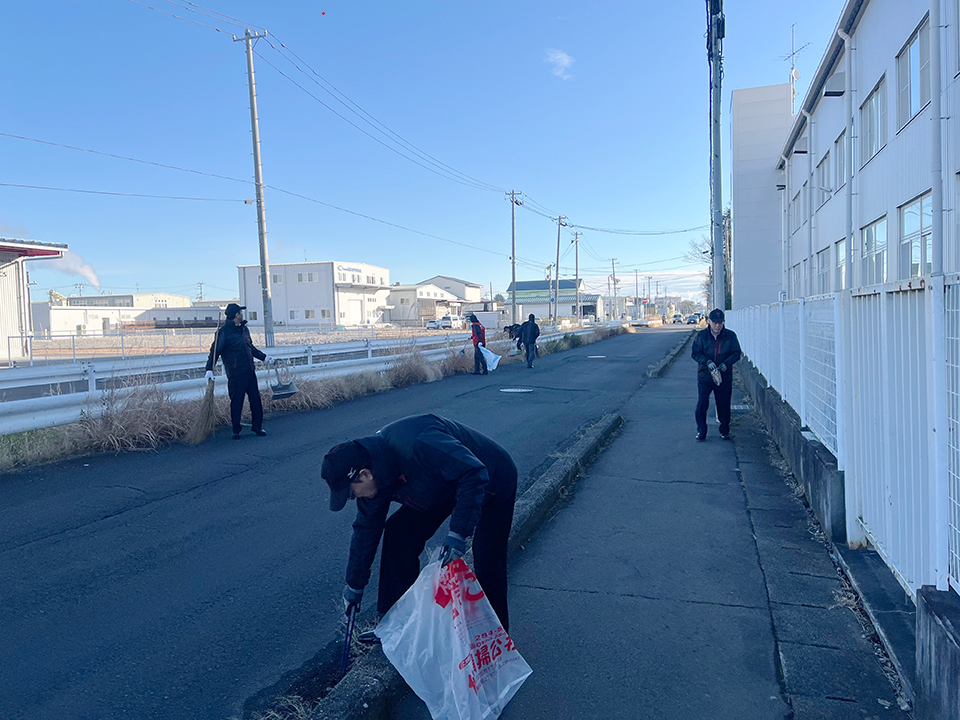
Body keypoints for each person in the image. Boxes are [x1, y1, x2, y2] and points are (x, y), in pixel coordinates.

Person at [322, 414, 518, 639]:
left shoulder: (418, 443)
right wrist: (354, 585)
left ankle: (496, 638)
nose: (353, 498)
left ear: (364, 475)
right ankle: (396, 625)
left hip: (490, 477)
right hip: (442, 484)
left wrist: (457, 534)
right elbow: (366, 531)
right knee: (398, 534)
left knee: (488, 558)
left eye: (350, 493)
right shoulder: (373, 476)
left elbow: (473, 473)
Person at [204, 303, 274, 439]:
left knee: (255, 399)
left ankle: (257, 427)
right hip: (235, 373)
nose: (242, 314)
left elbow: (250, 348)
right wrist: (209, 369)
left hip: (249, 370)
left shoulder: (244, 330)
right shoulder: (224, 332)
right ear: (236, 315)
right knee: (237, 401)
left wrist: (264, 357)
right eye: (240, 312)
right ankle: (236, 429)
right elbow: (215, 352)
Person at [691, 308, 742, 441]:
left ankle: (724, 430)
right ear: (708, 322)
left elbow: (737, 353)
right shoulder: (701, 336)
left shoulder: (730, 335)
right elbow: (695, 353)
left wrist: (726, 364)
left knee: (724, 404)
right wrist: (707, 362)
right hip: (705, 376)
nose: (717, 326)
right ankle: (701, 431)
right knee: (702, 404)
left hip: (724, 376)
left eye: (720, 323)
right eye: (715, 323)